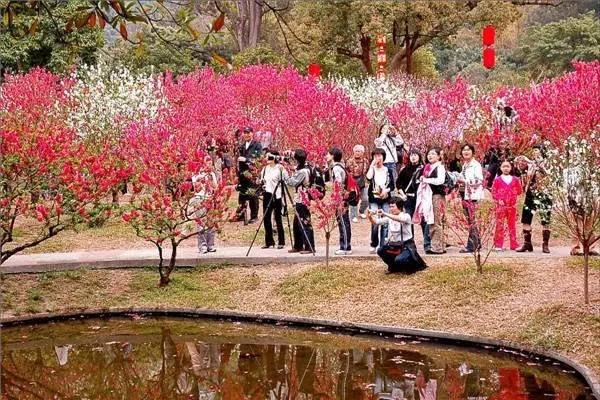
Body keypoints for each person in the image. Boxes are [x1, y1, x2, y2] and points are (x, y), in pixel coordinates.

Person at [368, 198, 427, 273]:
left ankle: (410, 267)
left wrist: (385, 213)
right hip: (395, 245)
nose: (391, 209)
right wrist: (370, 216)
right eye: (390, 206)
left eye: (393, 207)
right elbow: (376, 222)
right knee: (381, 250)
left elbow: (399, 219)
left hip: (407, 246)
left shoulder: (406, 216)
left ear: (399, 207)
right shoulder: (390, 217)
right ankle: (394, 267)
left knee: (400, 259)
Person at [515, 144, 552, 253]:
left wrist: (536, 164)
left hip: (544, 193)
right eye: (534, 150)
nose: (535, 152)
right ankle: (527, 244)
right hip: (531, 193)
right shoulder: (530, 164)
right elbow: (523, 174)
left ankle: (545, 244)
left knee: (546, 219)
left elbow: (548, 174)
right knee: (526, 218)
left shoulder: (548, 163)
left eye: (537, 150)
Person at [396, 150, 431, 250]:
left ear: (419, 157)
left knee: (424, 220)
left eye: (415, 155)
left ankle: (427, 243)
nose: (413, 157)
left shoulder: (424, 169)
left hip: (421, 198)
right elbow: (398, 183)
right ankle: (409, 243)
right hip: (409, 198)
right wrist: (402, 194)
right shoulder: (405, 169)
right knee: (408, 220)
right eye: (411, 155)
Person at [415, 147, 446, 254]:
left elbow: (440, 180)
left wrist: (426, 180)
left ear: (438, 156)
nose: (430, 156)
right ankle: (440, 246)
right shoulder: (428, 167)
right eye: (429, 154)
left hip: (436, 196)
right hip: (429, 196)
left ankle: (437, 247)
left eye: (433, 154)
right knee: (433, 221)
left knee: (435, 221)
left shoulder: (440, 167)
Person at [283, 149, 315, 254]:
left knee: (305, 223)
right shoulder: (305, 167)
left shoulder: (303, 171)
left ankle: (309, 247)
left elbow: (292, 182)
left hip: (303, 198)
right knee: (297, 224)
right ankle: (298, 245)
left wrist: (285, 174)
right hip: (300, 198)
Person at [366, 148, 395, 253]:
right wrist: (371, 166)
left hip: (385, 198)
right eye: (375, 156)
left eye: (379, 155)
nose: (377, 158)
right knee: (374, 221)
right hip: (374, 198)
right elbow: (368, 178)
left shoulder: (388, 170)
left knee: (385, 221)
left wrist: (386, 191)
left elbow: (392, 185)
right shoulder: (372, 169)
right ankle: (374, 243)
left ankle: (383, 244)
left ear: (383, 157)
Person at [456, 143, 484, 253]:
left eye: (468, 150)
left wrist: (465, 181)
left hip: (472, 195)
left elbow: (479, 180)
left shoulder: (475, 165)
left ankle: (472, 245)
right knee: (469, 220)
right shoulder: (465, 165)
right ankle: (477, 243)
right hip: (464, 194)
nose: (466, 152)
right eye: (464, 150)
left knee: (471, 220)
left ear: (473, 152)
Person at [492, 160, 523, 251]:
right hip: (501, 206)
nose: (506, 168)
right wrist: (498, 200)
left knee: (512, 225)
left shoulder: (516, 179)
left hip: (512, 206)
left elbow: (519, 191)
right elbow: (493, 192)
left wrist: (515, 199)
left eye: (508, 166)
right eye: (504, 166)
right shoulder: (497, 180)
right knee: (500, 224)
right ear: (501, 168)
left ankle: (514, 244)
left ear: (511, 168)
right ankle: (498, 244)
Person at [327, 147, 352, 255]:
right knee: (344, 221)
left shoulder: (336, 168)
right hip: (343, 198)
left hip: (341, 199)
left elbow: (339, 183)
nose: (326, 156)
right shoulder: (341, 166)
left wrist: (338, 199)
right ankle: (346, 246)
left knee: (343, 222)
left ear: (332, 156)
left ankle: (345, 247)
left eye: (328, 154)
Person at [260, 151, 288, 249]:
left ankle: (281, 241)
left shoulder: (280, 168)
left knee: (278, 218)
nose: (268, 158)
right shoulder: (264, 169)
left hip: (277, 195)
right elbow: (262, 181)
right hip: (267, 194)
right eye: (267, 156)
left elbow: (286, 180)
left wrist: (283, 170)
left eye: (270, 156)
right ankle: (269, 241)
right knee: (266, 218)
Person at [192, 156, 219, 253]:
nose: (209, 165)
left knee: (211, 223)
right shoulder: (197, 174)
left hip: (209, 199)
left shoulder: (212, 174)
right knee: (201, 224)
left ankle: (210, 245)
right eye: (207, 163)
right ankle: (202, 246)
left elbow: (216, 187)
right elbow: (196, 187)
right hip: (200, 199)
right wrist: (203, 180)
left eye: (210, 163)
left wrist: (212, 184)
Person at [236, 126, 262, 223]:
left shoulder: (257, 145)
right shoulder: (242, 146)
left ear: (252, 133)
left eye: (248, 133)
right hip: (243, 173)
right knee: (242, 194)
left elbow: (259, 158)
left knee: (253, 194)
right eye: (245, 133)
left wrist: (247, 160)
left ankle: (254, 216)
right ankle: (241, 214)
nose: (246, 135)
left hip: (252, 173)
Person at [345, 144, 369, 222]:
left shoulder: (365, 161)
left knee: (365, 199)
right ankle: (353, 215)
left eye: (359, 151)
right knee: (353, 199)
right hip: (352, 182)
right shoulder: (349, 161)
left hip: (363, 182)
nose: (357, 153)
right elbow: (347, 172)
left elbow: (367, 172)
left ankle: (361, 211)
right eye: (356, 151)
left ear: (362, 152)